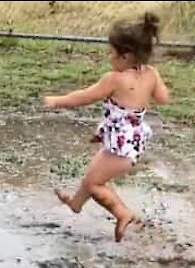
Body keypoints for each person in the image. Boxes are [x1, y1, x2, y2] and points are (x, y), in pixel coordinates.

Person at [43, 12, 170, 242]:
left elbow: (85, 96)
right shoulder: (152, 73)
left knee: (94, 183)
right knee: (92, 174)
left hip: (121, 144)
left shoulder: (114, 79)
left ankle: (122, 213)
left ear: (126, 55)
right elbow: (163, 97)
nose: (109, 57)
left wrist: (57, 100)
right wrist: (146, 89)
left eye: (111, 52)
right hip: (132, 139)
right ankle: (75, 204)